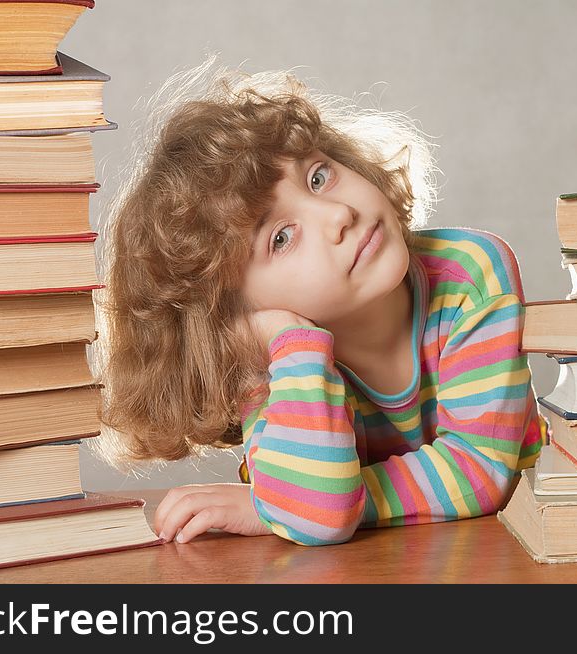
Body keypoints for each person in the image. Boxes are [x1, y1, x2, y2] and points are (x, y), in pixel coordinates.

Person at [96, 57, 547, 547]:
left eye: (317, 177)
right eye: (282, 238)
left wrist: (285, 505)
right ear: (240, 314)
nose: (338, 214)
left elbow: (482, 470)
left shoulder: (469, 273)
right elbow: (318, 517)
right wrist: (293, 345)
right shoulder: (274, 352)